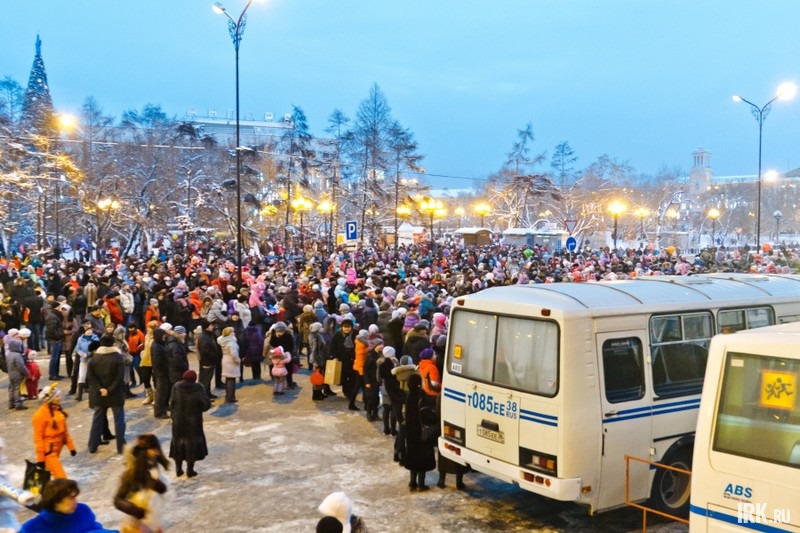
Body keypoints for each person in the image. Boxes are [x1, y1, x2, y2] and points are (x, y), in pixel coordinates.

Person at [114, 434, 170, 533]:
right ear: (144, 452)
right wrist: (136, 511)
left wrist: (156, 485)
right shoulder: (131, 474)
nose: (157, 452)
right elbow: (117, 500)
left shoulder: (151, 461)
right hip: (135, 524)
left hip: (150, 518)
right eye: (154, 449)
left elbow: (149, 480)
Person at [18, 478, 115, 533]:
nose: (75, 501)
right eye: (70, 498)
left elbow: (95, 529)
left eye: (75, 497)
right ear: (55, 501)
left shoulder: (82, 511)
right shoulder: (33, 528)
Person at [87, 334, 126, 455]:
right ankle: (121, 447)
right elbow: (119, 378)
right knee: (119, 420)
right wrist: (109, 390)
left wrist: (100, 390)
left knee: (97, 420)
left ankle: (92, 446)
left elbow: (91, 378)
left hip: (99, 395)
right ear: (113, 343)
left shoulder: (94, 358)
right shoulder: (118, 357)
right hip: (115, 394)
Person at [169, 370, 210, 478]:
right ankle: (190, 470)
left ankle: (178, 468)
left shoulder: (176, 387)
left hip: (178, 420)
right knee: (192, 444)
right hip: (193, 422)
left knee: (178, 442)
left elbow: (171, 402)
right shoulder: (198, 388)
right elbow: (206, 405)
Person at [32, 385, 77, 479]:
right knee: (61, 477)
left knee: (49, 474)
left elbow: (65, 432)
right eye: (57, 396)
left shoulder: (58, 411)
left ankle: (48, 491)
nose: (60, 398)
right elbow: (38, 438)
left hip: (57, 449)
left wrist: (71, 447)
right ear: (50, 399)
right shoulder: (39, 415)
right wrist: (40, 459)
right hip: (49, 452)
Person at [403, 373, 436, 491]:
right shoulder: (422, 396)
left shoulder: (408, 396)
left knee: (412, 456)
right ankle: (421, 484)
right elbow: (427, 414)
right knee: (422, 458)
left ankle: (412, 482)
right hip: (421, 432)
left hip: (411, 432)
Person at [71, 322, 98, 402]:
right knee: (82, 376)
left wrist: (89, 354)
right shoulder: (80, 339)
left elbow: (96, 347)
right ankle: (79, 395)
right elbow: (77, 348)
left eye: (90, 330)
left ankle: (94, 394)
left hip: (93, 360)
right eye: (87, 330)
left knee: (92, 376)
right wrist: (81, 354)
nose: (90, 331)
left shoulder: (95, 338)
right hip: (83, 360)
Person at [150, 326, 171, 419]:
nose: (164, 337)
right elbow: (158, 361)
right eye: (163, 335)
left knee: (164, 391)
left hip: (163, 372)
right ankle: (159, 411)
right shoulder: (156, 346)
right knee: (161, 392)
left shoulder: (160, 344)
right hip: (161, 373)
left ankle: (164, 408)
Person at [6, 328, 28, 410]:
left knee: (11, 388)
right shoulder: (17, 355)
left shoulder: (9, 354)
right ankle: (18, 404)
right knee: (17, 389)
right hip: (17, 375)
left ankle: (10, 403)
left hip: (11, 374)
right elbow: (21, 366)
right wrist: (26, 373)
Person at [217, 326, 240, 403]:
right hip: (231, 362)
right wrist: (238, 360)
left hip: (225, 360)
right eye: (232, 332)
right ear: (229, 333)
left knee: (228, 379)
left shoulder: (222, 340)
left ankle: (229, 396)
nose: (234, 333)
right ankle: (230, 397)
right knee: (231, 380)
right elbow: (234, 354)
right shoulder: (231, 342)